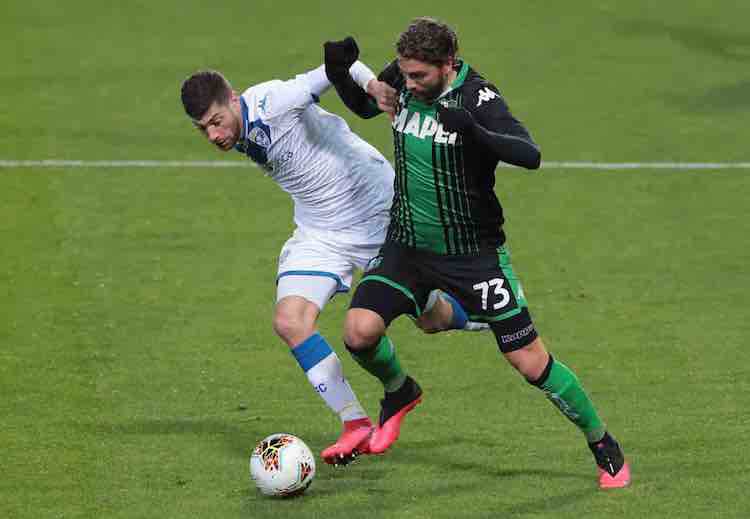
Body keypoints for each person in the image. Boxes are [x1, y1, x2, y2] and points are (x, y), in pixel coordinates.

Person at [323, 17, 631, 488]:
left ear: (448, 64)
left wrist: (472, 129)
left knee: (529, 362)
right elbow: (367, 107)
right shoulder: (406, 78)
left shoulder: (478, 98)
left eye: (418, 76)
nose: (407, 84)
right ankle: (400, 391)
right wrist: (341, 72)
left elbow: (530, 154)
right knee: (359, 331)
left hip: (473, 255)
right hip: (407, 246)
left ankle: (602, 442)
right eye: (404, 74)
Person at [179, 61, 485, 465]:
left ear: (234, 98)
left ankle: (481, 314)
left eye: (217, 121)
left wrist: (373, 85)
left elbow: (338, 65)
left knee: (432, 319)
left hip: (378, 213)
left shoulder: (274, 102)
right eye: (204, 129)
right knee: (290, 322)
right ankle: (357, 421)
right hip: (320, 229)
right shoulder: (236, 129)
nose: (215, 135)